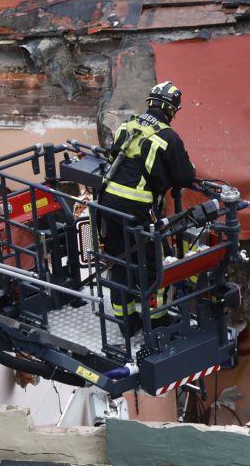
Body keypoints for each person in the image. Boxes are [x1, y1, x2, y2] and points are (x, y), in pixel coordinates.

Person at [98, 81, 197, 334]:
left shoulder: (128, 125)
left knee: (121, 262)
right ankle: (156, 318)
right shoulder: (168, 137)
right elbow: (185, 176)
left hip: (109, 204)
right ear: (172, 110)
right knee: (157, 263)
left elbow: (114, 157)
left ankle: (126, 323)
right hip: (138, 210)